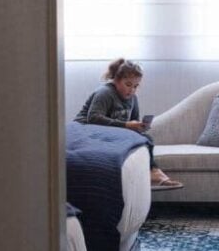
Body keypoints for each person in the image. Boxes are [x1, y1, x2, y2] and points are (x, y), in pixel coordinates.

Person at [74, 58, 183, 191]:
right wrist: (126, 125)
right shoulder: (105, 93)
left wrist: (138, 127)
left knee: (145, 139)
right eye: (128, 84)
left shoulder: (132, 98)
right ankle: (154, 173)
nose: (132, 90)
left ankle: (152, 172)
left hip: (111, 133)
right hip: (86, 130)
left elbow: (133, 121)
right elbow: (93, 118)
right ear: (116, 80)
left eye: (136, 86)